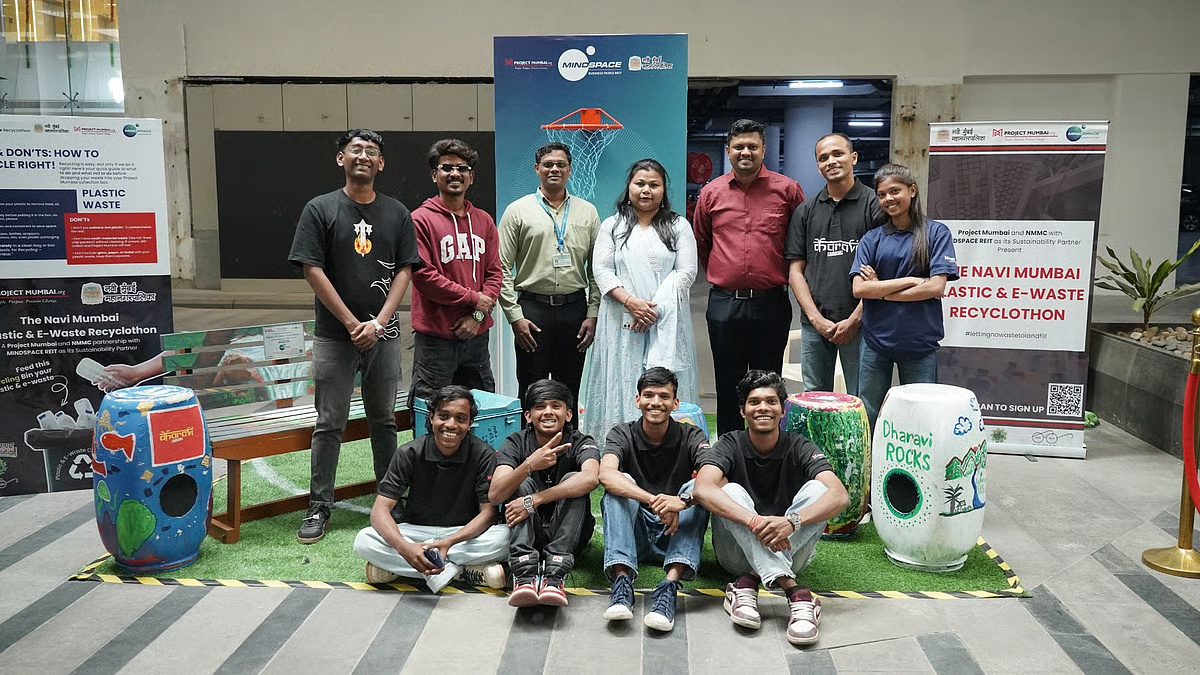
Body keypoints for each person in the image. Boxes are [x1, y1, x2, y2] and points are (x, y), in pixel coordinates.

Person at [287, 129, 420, 544]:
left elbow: (405, 269)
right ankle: (319, 505)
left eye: (371, 152)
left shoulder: (397, 212)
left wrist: (379, 322)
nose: (363, 156)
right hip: (334, 335)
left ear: (381, 163)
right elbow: (312, 269)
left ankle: (390, 499)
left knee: (384, 419)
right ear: (341, 158)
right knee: (330, 422)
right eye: (355, 150)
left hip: (385, 334)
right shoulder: (320, 209)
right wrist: (350, 324)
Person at [692, 370, 849, 646]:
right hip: (736, 555)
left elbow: (840, 496)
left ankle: (746, 585)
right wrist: (755, 522)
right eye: (754, 402)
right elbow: (702, 489)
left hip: (791, 549)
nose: (763, 407)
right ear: (742, 411)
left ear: (782, 409)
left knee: (820, 490)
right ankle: (795, 593)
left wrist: (791, 522)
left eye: (771, 401)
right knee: (729, 491)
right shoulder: (729, 443)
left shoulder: (799, 445)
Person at [693, 119, 804, 437]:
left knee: (768, 383)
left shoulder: (787, 190)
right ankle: (729, 447)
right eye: (739, 146)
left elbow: (799, 239)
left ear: (763, 150)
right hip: (724, 303)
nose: (745, 152)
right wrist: (726, 271)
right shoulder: (711, 193)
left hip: (771, 303)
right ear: (728, 150)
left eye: (752, 146)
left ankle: (767, 446)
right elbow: (702, 242)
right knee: (727, 381)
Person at [580, 158, 699, 441]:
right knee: (622, 376)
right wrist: (632, 303)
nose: (646, 190)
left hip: (665, 320)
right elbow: (601, 270)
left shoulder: (679, 226)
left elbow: (686, 272)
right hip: (620, 320)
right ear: (629, 187)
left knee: (662, 377)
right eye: (640, 183)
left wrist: (652, 310)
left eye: (654, 185)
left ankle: (667, 442)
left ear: (663, 190)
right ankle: (617, 442)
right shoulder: (612, 226)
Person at [353, 386, 508, 592]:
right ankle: (461, 571)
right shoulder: (409, 453)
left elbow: (488, 514)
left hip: (461, 534)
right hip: (415, 532)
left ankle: (407, 568)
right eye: (443, 416)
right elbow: (379, 511)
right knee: (364, 539)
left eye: (461, 419)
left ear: (470, 423)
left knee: (506, 537)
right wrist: (405, 548)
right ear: (431, 417)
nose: (451, 424)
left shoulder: (483, 454)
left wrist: (448, 542)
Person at [598, 367, 710, 632]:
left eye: (664, 396)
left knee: (698, 489)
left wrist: (682, 501)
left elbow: (713, 476)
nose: (656, 402)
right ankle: (622, 582)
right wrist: (657, 501)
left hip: (673, 532)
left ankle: (669, 584)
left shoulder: (692, 435)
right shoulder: (621, 433)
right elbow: (606, 473)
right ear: (638, 400)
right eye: (648, 395)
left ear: (675, 403)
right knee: (620, 484)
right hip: (634, 534)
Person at [850, 163, 959, 428]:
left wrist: (882, 291)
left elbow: (936, 287)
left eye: (894, 191)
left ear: (912, 190)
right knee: (869, 414)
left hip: (919, 344)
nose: (888, 198)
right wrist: (909, 281)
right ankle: (871, 457)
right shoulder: (871, 239)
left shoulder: (937, 233)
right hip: (875, 343)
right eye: (881, 194)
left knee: (921, 416)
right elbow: (860, 289)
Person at [498, 142, 601, 404]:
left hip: (574, 311)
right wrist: (515, 317)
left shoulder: (588, 212)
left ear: (570, 169)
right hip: (532, 311)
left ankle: (570, 433)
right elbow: (501, 267)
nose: (554, 169)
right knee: (532, 388)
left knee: (569, 389)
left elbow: (597, 268)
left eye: (561, 164)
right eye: (548, 164)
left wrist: (592, 313)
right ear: (537, 169)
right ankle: (528, 433)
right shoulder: (517, 211)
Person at [785, 133, 883, 395]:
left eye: (838, 154)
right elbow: (795, 272)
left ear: (854, 158)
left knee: (862, 400)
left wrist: (855, 319)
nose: (831, 161)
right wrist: (816, 319)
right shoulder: (805, 211)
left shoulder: (875, 206)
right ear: (818, 165)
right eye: (823, 157)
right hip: (815, 326)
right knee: (814, 399)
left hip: (863, 324)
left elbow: (884, 272)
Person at [489, 379, 600, 607]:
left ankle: (554, 576)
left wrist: (535, 500)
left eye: (556, 406)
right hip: (529, 529)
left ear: (568, 414)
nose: (548, 412)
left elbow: (591, 478)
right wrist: (528, 465)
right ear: (528, 416)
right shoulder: (515, 442)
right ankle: (524, 575)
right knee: (519, 482)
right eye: (540, 406)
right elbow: (495, 494)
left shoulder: (581, 441)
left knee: (574, 480)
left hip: (570, 533)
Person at [409, 139, 503, 405]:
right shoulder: (419, 220)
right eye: (447, 167)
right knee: (432, 410)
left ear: (471, 177)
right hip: (436, 340)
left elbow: (495, 274)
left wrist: (477, 316)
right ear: (434, 175)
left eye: (462, 168)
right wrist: (474, 299)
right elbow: (424, 276)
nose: (455, 173)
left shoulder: (484, 221)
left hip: (477, 338)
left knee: (481, 408)